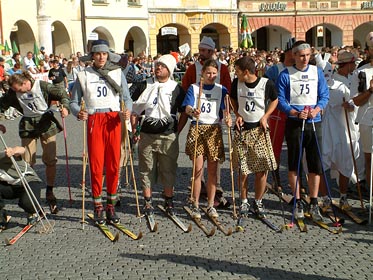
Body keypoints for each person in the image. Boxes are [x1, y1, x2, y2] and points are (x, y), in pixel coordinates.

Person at [70, 39, 132, 225]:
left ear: (108, 55)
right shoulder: (83, 74)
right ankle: (98, 206)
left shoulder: (116, 72)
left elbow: (126, 98)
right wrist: (78, 112)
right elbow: (73, 102)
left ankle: (111, 205)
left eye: (104, 54)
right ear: (92, 56)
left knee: (114, 164)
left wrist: (127, 110)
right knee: (96, 165)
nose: (101, 57)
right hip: (94, 119)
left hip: (114, 119)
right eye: (97, 54)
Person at [0, 71, 70, 214]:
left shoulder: (42, 86)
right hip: (28, 124)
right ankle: (29, 194)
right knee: (27, 162)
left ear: (25, 83)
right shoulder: (14, 92)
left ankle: (50, 192)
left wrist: (65, 107)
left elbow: (62, 93)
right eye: (14, 90)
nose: (16, 92)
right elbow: (1, 104)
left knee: (50, 160)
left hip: (46, 123)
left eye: (18, 89)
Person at [276, 40, 329, 221]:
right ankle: (298, 199)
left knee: (315, 163)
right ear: (294, 56)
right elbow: (281, 100)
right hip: (295, 122)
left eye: (308, 55)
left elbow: (324, 95)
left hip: (314, 120)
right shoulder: (286, 74)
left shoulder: (317, 72)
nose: (305, 59)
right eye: (301, 56)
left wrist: (317, 109)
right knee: (294, 162)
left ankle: (314, 201)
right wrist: (294, 112)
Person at [130, 54, 185, 216]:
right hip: (146, 134)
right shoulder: (143, 85)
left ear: (170, 69)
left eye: (162, 65)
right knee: (146, 169)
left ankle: (169, 200)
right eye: (157, 65)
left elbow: (184, 112)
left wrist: (178, 130)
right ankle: (148, 202)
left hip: (168, 136)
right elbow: (132, 109)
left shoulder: (176, 88)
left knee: (168, 169)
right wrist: (135, 130)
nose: (158, 68)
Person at [181, 36, 231, 209]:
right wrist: (190, 109)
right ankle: (195, 196)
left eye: (206, 51)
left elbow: (227, 95)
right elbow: (185, 89)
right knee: (198, 167)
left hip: (214, 126)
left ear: (212, 51)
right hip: (198, 122)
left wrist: (229, 115)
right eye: (201, 50)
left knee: (213, 168)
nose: (202, 54)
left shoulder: (222, 69)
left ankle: (214, 195)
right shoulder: (192, 68)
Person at [230, 56, 278, 218]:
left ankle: (258, 201)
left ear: (246, 72)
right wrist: (237, 114)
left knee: (261, 170)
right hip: (243, 131)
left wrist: (266, 116)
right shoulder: (237, 83)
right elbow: (232, 98)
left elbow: (275, 100)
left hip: (259, 130)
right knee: (243, 170)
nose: (235, 74)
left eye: (237, 71)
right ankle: (244, 201)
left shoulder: (266, 83)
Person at [318, 51, 359, 211]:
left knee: (345, 163)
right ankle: (325, 198)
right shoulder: (323, 86)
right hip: (326, 129)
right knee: (323, 163)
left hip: (344, 128)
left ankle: (343, 197)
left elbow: (354, 103)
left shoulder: (347, 82)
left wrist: (351, 107)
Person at [264, 38, 295, 192]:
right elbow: (264, 88)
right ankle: (276, 180)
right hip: (277, 112)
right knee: (275, 148)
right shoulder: (275, 69)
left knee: (295, 148)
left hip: (295, 113)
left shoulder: (300, 69)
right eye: (293, 52)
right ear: (287, 53)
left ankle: (296, 181)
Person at [0, 124, 42, 230]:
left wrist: (13, 150)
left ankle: (33, 212)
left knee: (26, 202)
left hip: (28, 181)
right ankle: (2, 217)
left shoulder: (4, 156)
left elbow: (22, 149)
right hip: (11, 187)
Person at [350, 31, 373, 198]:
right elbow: (356, 101)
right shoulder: (361, 72)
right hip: (368, 120)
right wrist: (370, 90)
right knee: (370, 160)